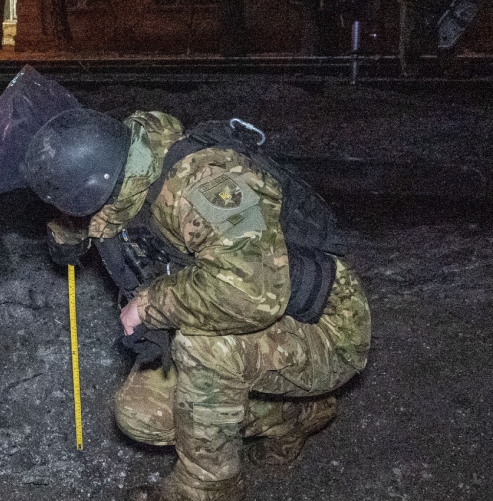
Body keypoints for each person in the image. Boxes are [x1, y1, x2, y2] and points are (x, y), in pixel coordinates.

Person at [24, 109, 371, 501]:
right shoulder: (126, 170)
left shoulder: (206, 183)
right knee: (141, 414)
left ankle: (208, 490)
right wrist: (69, 228)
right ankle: (293, 415)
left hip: (324, 326)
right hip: (255, 322)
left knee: (205, 348)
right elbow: (109, 213)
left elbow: (252, 292)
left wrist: (150, 304)